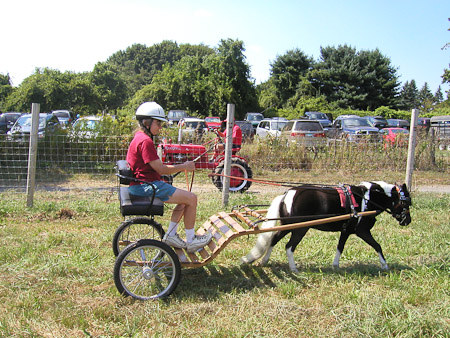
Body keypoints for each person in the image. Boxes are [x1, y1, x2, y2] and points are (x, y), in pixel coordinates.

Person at [126, 102, 212, 253]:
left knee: (184, 201)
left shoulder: (139, 137)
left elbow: (155, 167)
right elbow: (161, 169)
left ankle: (171, 235)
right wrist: (184, 166)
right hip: (147, 186)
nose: (160, 127)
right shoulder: (145, 141)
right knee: (192, 199)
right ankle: (191, 241)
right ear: (147, 122)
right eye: (158, 122)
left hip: (143, 184)